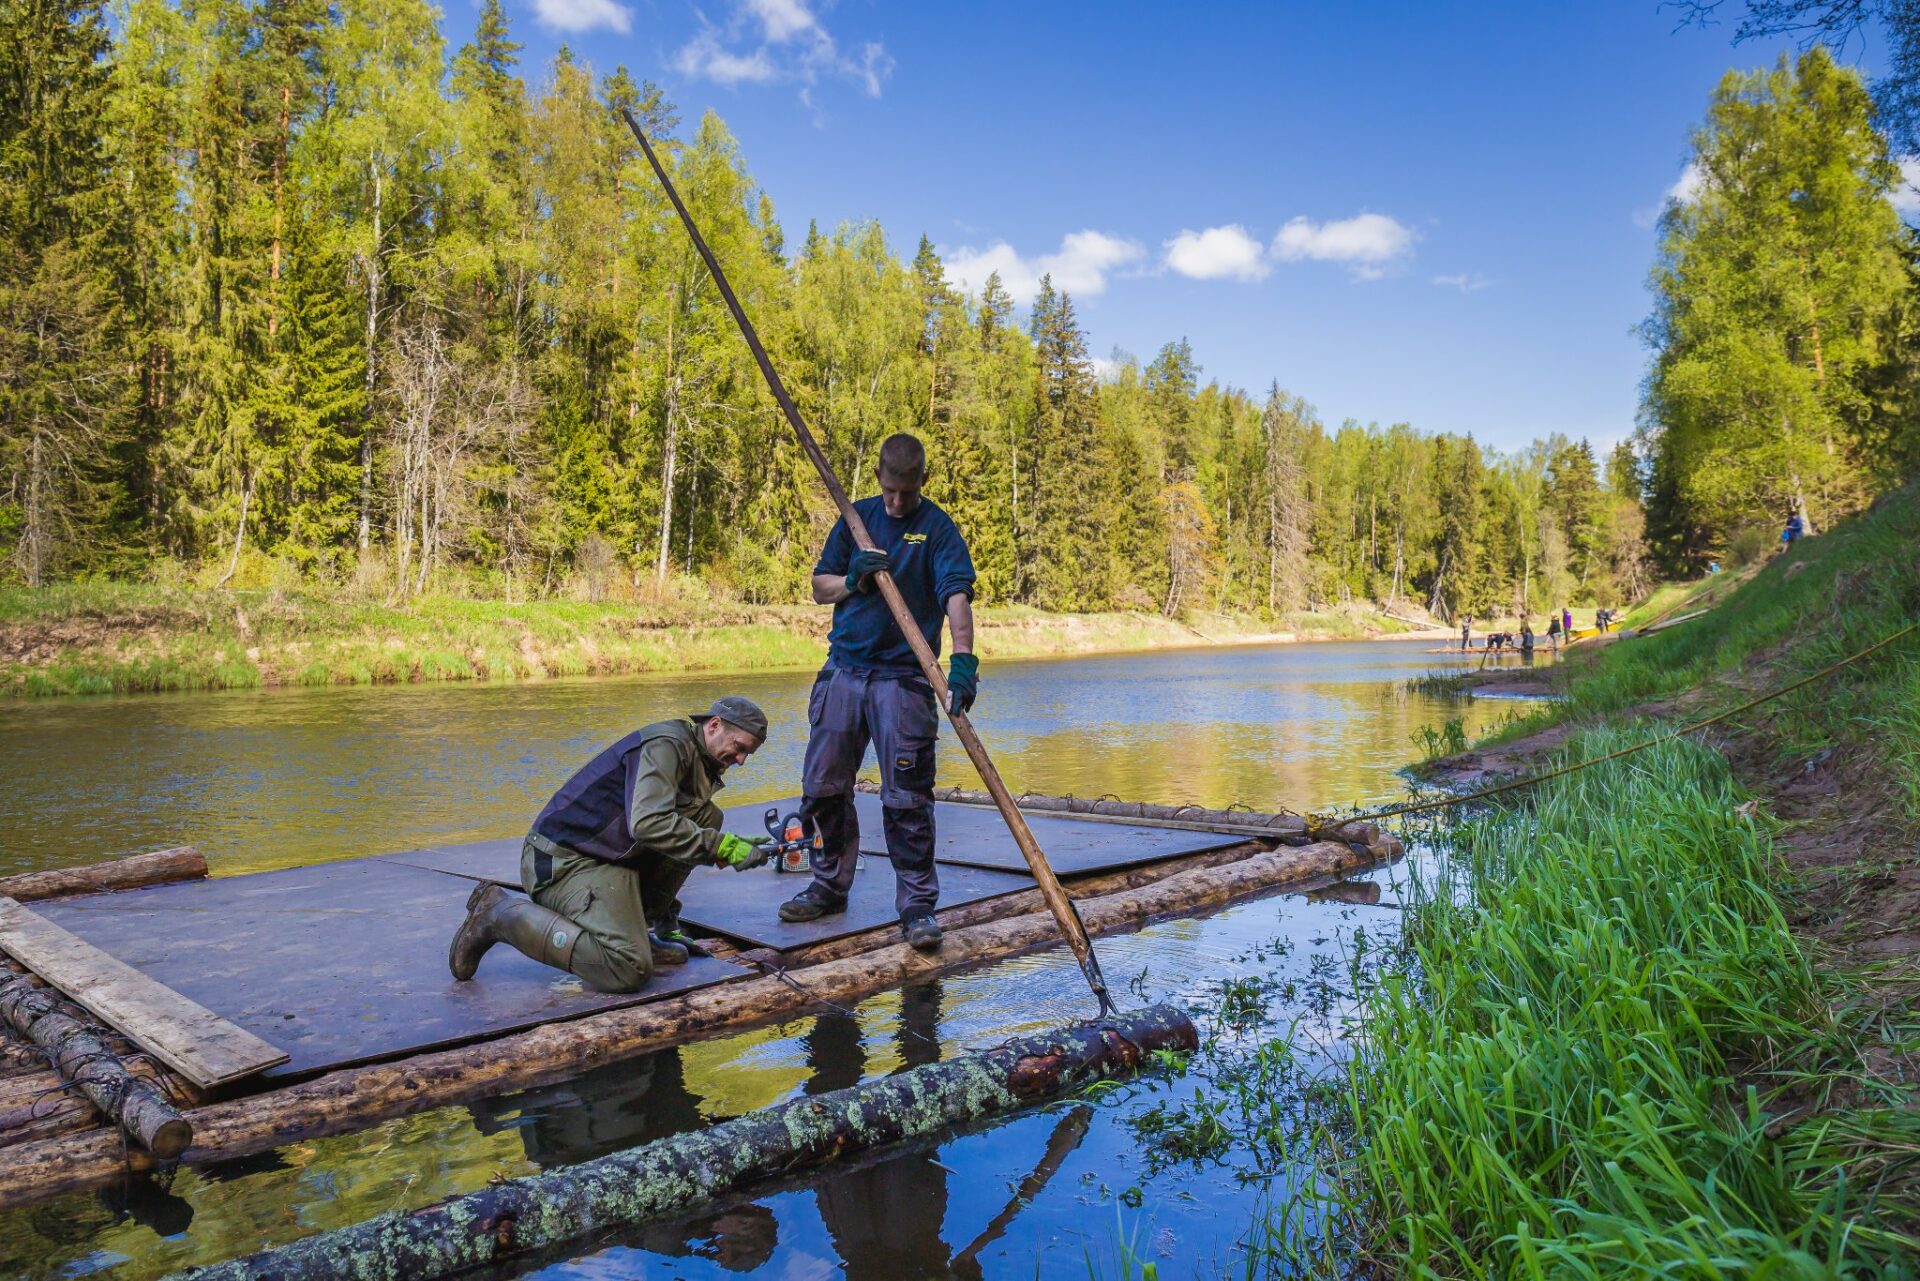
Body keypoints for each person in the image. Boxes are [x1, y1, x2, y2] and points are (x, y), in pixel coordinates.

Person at [780, 432, 977, 953]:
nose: (895, 503)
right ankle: (827, 886)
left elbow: (956, 594)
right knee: (822, 787)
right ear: (878, 481)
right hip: (844, 672)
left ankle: (917, 907)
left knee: (906, 799)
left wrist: (963, 661)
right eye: (889, 491)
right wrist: (853, 580)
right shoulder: (855, 520)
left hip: (904, 680)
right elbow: (820, 586)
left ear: (922, 483)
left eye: (905, 494)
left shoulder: (936, 529)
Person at [447, 697, 773, 993]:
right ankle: (499, 914)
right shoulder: (666, 746)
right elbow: (647, 824)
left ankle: (641, 930)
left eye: (749, 753)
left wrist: (667, 923)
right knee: (628, 969)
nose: (742, 760)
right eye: (739, 747)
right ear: (714, 725)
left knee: (706, 817)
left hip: (608, 859)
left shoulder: (701, 758)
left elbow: (676, 838)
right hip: (561, 861)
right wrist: (721, 847)